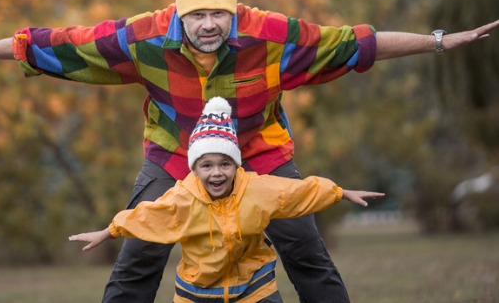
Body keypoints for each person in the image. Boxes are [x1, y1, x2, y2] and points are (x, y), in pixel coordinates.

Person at [0, 0, 499, 302]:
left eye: (217, 14)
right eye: (196, 14)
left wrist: (444, 40)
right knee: (140, 255)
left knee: (304, 248)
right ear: (180, 14)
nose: (207, 25)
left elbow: (356, 44)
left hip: (259, 148)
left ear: (232, 12)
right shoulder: (143, 38)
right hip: (175, 150)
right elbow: (59, 47)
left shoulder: (273, 36)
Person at [69, 97, 385, 303]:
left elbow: (298, 193)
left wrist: (340, 192)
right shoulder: (181, 199)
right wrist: (108, 231)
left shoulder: (257, 190)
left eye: (224, 164)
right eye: (206, 165)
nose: (216, 173)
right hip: (197, 293)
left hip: (255, 288)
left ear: (236, 165)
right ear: (195, 168)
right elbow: (146, 217)